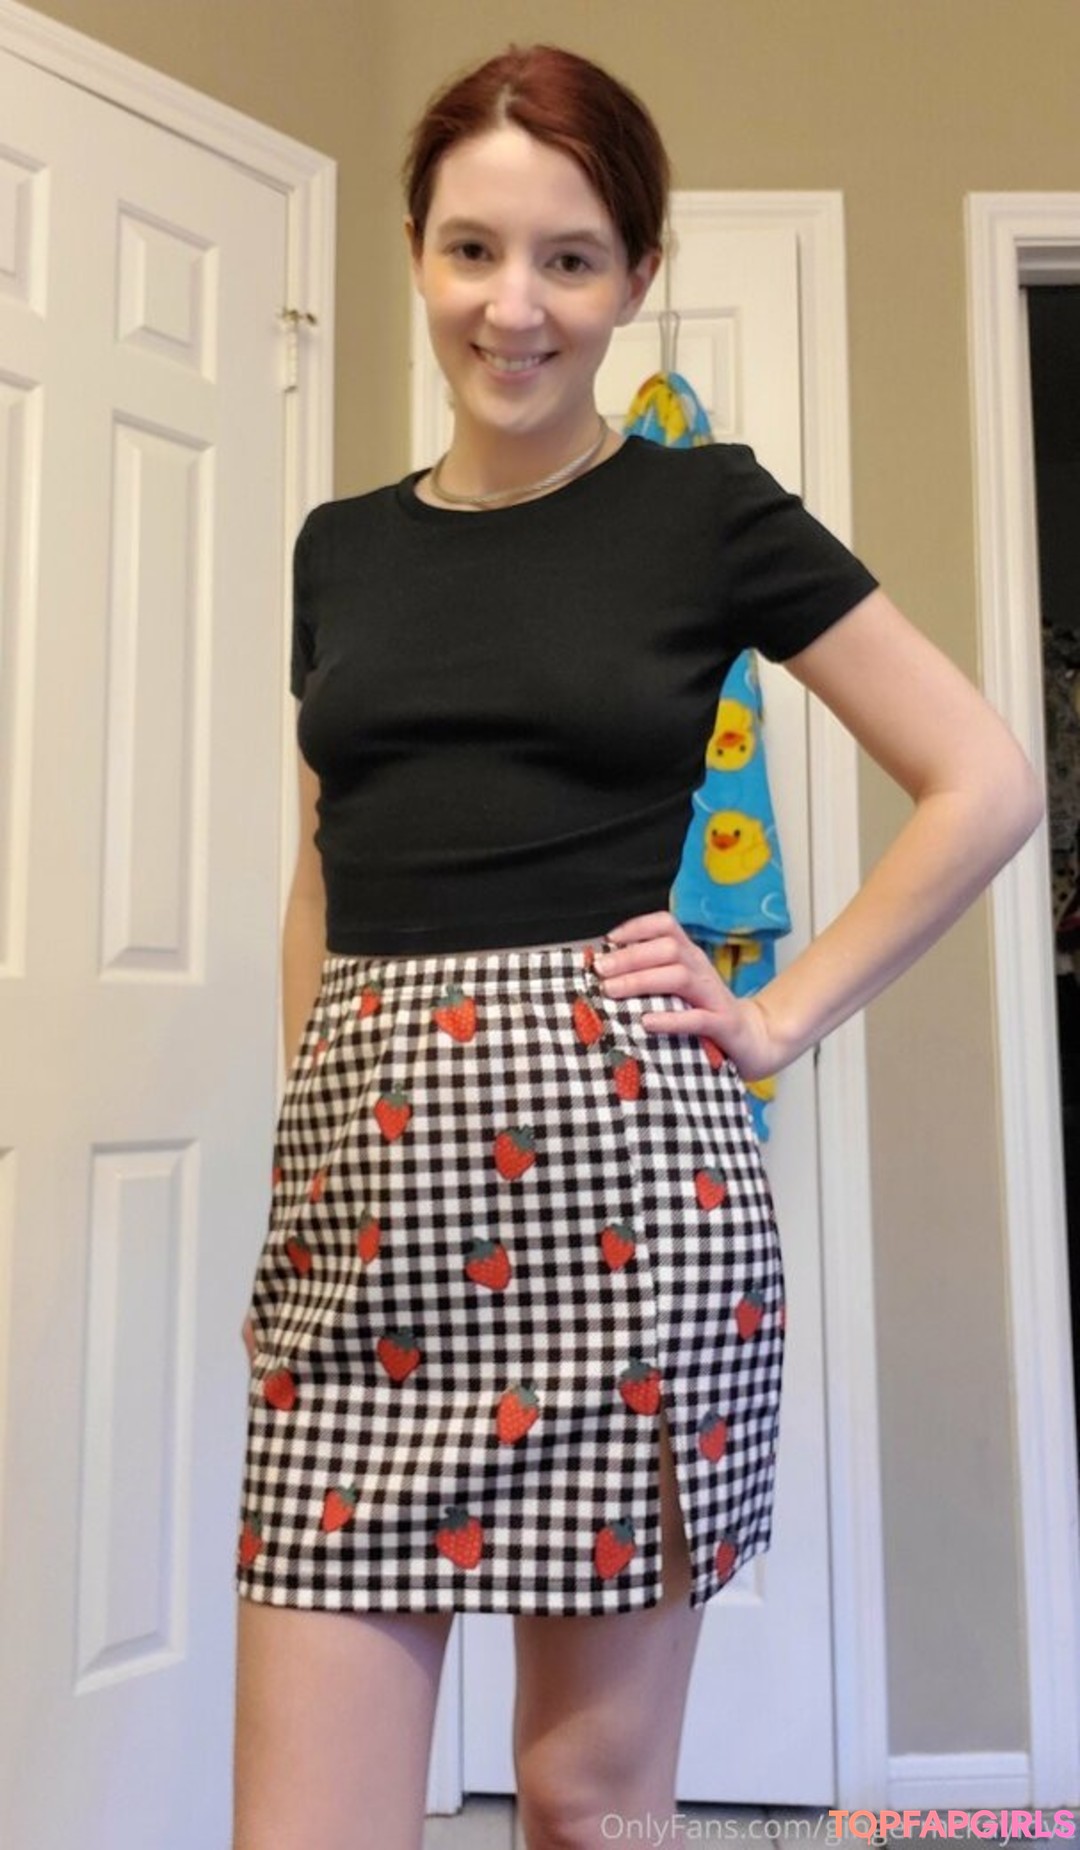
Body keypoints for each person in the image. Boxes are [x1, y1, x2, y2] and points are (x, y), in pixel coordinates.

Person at [230, 43, 1042, 1850]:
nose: (512, 307)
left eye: (571, 259)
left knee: (587, 1803)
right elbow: (319, 875)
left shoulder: (705, 509)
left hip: (624, 1205)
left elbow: (984, 779)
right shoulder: (339, 550)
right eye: (471, 249)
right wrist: (316, 1137)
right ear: (416, 251)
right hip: (360, 1223)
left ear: (636, 276)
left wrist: (778, 1014)